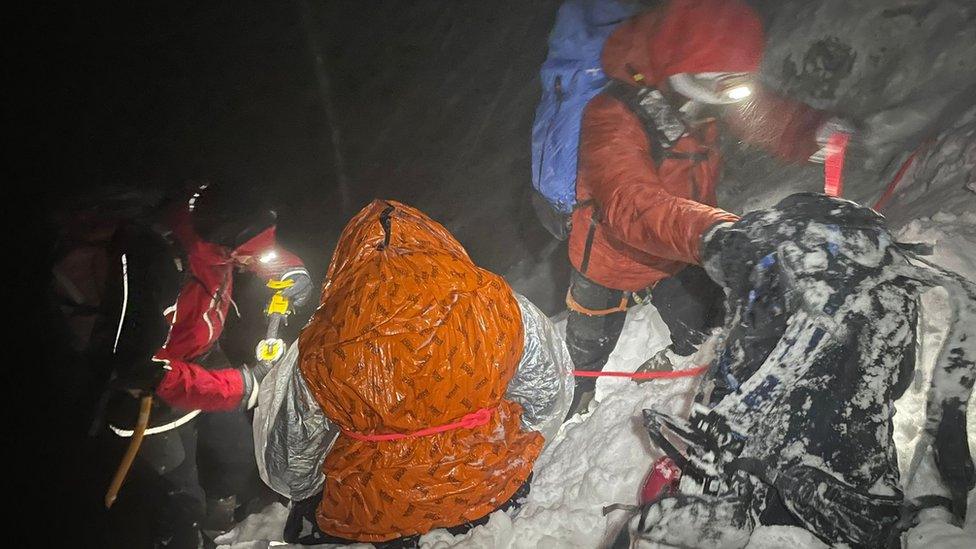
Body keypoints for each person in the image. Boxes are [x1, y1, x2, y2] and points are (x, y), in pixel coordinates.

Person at [564, 0, 839, 415]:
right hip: (610, 260)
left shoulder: (705, 93)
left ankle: (672, 365)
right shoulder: (610, 115)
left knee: (702, 327)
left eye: (735, 84)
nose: (726, 97)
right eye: (719, 84)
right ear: (680, 67)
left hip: (681, 247)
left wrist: (808, 133)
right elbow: (631, 203)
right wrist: (711, 234)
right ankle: (574, 404)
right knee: (587, 350)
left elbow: (759, 115)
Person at [278, 200, 574, 547]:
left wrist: (309, 492)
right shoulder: (497, 302)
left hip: (373, 513)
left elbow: (293, 455)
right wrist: (515, 439)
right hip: (490, 487)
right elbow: (548, 391)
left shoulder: (322, 339)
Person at [93, 182, 312, 547]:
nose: (249, 263)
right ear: (222, 243)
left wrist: (292, 274)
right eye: (241, 254)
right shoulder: (160, 264)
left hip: (205, 361)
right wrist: (242, 386)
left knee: (236, 453)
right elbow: (139, 368)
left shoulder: (219, 238)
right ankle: (186, 537)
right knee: (179, 493)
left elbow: (259, 253)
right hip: (148, 394)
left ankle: (223, 522)